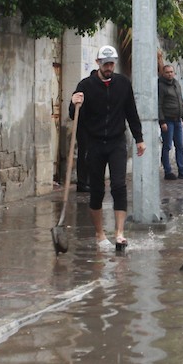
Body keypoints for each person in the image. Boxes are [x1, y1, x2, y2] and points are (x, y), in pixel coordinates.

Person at [70, 45, 145, 250]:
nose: (109, 67)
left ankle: (119, 234)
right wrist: (73, 102)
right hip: (94, 143)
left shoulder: (123, 84)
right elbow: (74, 115)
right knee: (96, 190)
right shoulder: (86, 85)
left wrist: (139, 138)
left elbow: (131, 111)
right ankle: (100, 234)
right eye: (106, 64)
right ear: (98, 63)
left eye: (112, 63)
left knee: (119, 186)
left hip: (116, 142)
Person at [158, 62, 183, 180]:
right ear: (163, 73)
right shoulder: (161, 85)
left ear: (174, 73)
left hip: (177, 120)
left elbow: (180, 101)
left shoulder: (176, 84)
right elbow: (159, 104)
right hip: (167, 120)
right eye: (167, 72)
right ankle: (167, 171)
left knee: (180, 146)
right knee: (167, 146)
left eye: (171, 72)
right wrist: (162, 121)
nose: (169, 74)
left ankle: (182, 171)